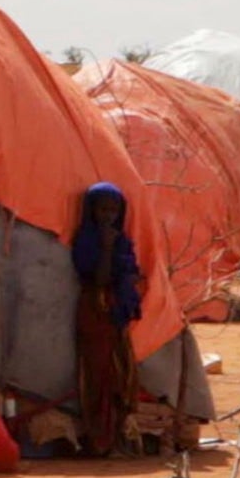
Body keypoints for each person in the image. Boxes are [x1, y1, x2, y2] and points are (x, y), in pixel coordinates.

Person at [66, 180, 147, 459]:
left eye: (114, 210)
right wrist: (107, 248)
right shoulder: (88, 241)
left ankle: (120, 437)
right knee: (99, 374)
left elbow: (132, 272)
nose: (108, 216)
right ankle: (101, 438)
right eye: (103, 210)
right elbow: (98, 278)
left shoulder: (121, 240)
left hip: (115, 313)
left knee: (121, 373)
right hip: (97, 309)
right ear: (91, 210)